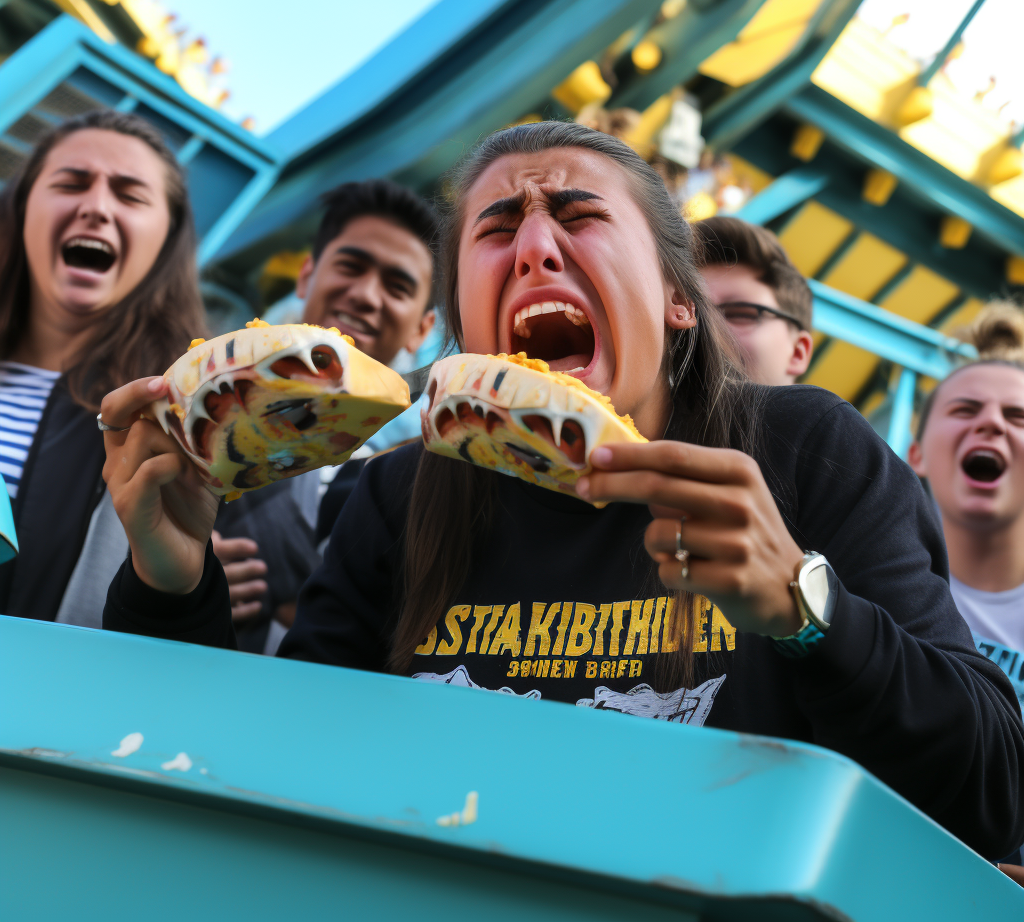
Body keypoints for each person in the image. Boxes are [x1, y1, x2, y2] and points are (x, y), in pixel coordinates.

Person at [100, 121, 1022, 860]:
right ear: (462, 320)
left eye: (578, 217)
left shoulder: (806, 448)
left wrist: (806, 607)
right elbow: (269, 795)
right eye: (496, 231)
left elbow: (991, 790)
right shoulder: (400, 496)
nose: (536, 247)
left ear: (676, 300)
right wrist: (170, 589)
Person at [213, 179, 438, 653]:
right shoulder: (202, 408)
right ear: (306, 276)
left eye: (397, 286)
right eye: (350, 267)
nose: (365, 295)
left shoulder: (407, 483)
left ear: (422, 328)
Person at [0, 110, 204, 625]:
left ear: (167, 238)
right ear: (22, 210)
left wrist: (187, 595)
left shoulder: (190, 424)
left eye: (130, 195)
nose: (95, 207)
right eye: (71, 183)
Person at [907, 303, 1024, 876]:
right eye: (965, 408)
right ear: (916, 454)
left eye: (1019, 416)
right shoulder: (848, 590)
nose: (993, 425)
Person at [694, 217, 813, 385]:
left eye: (739, 313)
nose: (704, 328)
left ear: (797, 353)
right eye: (692, 314)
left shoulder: (831, 411)